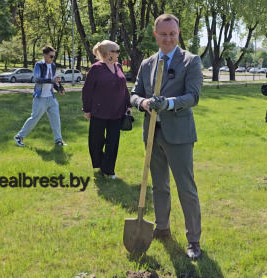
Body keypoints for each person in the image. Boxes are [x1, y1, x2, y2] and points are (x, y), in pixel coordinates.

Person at [130, 14, 203, 259]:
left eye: (172, 34)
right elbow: (134, 93)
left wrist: (168, 103)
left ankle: (193, 240)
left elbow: (193, 96)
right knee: (159, 186)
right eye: (163, 34)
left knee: (186, 188)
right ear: (155, 35)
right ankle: (162, 228)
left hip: (179, 135)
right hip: (152, 134)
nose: (168, 38)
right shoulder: (147, 63)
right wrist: (144, 102)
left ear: (178, 33)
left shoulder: (191, 61)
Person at [82, 40, 132, 180]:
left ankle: (108, 169)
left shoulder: (119, 67)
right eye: (117, 51)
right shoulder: (96, 68)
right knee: (96, 141)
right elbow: (87, 90)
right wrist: (87, 109)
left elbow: (124, 88)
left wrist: (128, 105)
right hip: (99, 112)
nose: (119, 54)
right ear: (109, 53)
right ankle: (100, 163)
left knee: (113, 142)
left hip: (117, 112)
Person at [14, 46, 67, 147]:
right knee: (34, 118)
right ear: (45, 55)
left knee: (56, 119)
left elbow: (53, 81)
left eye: (54, 57)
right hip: (40, 97)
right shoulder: (39, 65)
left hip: (51, 97)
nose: (53, 59)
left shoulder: (53, 65)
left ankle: (58, 140)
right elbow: (37, 79)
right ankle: (19, 136)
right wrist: (52, 80)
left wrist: (59, 89)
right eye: (51, 56)